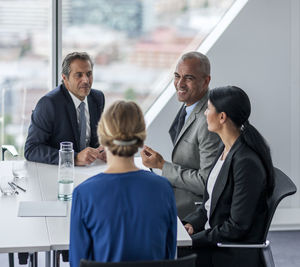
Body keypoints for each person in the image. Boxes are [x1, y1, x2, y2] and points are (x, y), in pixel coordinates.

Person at [69, 101, 177, 266]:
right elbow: (169, 255)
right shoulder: (163, 189)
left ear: (102, 138)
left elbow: (77, 263)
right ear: (141, 140)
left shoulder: (84, 194)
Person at [181, 86, 274, 267]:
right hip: (214, 239)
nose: (205, 113)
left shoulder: (246, 163)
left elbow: (236, 227)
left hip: (226, 251)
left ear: (222, 117)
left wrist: (193, 240)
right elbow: (210, 203)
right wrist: (192, 224)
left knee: (165, 254)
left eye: (208, 109)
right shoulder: (224, 148)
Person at [141, 51, 220, 219]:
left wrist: (162, 165)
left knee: (138, 210)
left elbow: (206, 183)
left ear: (206, 81)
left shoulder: (208, 121)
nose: (180, 84)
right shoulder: (191, 105)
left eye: (189, 78)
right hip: (181, 190)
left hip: (195, 204)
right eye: (177, 76)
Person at [24, 52, 106, 165]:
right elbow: (31, 150)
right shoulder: (48, 104)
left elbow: (93, 141)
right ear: (65, 78)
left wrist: (101, 151)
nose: (86, 80)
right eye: (79, 75)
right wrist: (74, 158)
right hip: (57, 173)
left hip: (90, 171)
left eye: (89, 74)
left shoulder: (97, 98)